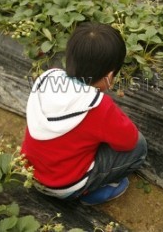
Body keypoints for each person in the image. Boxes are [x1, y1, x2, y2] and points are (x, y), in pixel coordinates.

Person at [21, 22, 147, 205]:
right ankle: (88, 192)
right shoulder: (98, 106)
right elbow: (129, 140)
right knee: (139, 145)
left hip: (30, 173)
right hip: (65, 186)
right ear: (110, 76)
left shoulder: (48, 78)